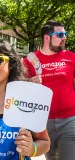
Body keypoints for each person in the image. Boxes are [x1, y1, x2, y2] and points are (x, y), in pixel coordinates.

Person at [23, 20, 75, 160]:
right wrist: (28, 82)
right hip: (42, 122)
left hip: (69, 119)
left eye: (65, 34)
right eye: (60, 34)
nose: (64, 37)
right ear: (47, 37)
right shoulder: (29, 61)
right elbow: (19, 90)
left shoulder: (71, 57)